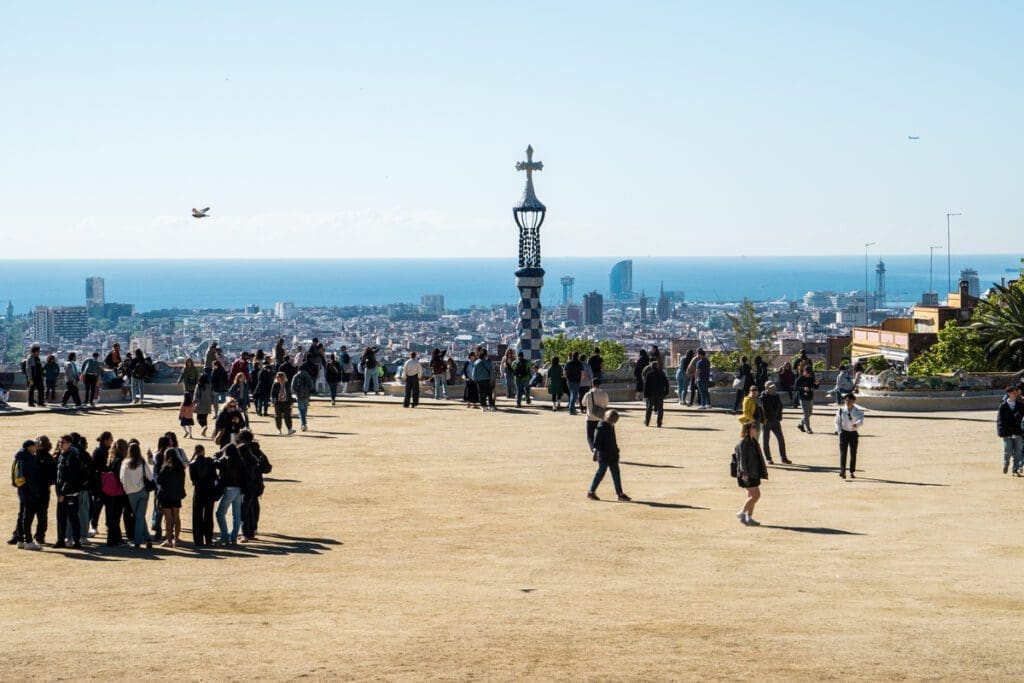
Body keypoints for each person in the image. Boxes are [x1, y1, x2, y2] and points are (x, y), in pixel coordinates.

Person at [586, 410, 630, 501]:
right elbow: (596, 444)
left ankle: (620, 493)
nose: (613, 423)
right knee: (601, 473)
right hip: (605, 455)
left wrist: (616, 449)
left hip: (612, 454)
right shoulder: (601, 427)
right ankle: (591, 492)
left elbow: (613, 439)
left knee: (615, 473)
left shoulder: (610, 425)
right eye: (613, 421)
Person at [119, 440, 153, 549]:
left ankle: (144, 540)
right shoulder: (141, 462)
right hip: (142, 491)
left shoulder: (125, 462)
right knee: (140, 517)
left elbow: (121, 478)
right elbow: (150, 477)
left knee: (139, 517)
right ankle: (144, 540)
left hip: (130, 493)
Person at [239, 430, 272, 542]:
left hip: (246, 483)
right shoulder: (258, 450)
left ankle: (246, 533)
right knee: (254, 506)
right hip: (257, 483)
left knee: (245, 508)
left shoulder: (242, 450)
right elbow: (267, 468)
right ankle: (253, 530)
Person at [733, 421, 768, 526]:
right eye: (753, 427)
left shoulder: (754, 441)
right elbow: (741, 460)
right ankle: (742, 512)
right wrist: (744, 474)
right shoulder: (742, 443)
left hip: (755, 473)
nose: (755, 428)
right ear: (747, 429)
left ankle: (749, 518)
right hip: (746, 475)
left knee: (751, 496)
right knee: (756, 495)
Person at [54, 434, 85, 548]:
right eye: (59, 442)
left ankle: (77, 542)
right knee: (60, 517)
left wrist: (62, 493)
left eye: (62, 442)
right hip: (61, 493)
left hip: (70, 493)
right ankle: (60, 540)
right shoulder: (62, 455)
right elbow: (59, 476)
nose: (60, 444)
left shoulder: (72, 457)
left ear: (69, 443)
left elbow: (71, 477)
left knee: (73, 518)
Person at [11, 440, 42, 550]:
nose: (36, 448)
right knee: (27, 516)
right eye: (34, 446)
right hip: (28, 491)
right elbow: (30, 478)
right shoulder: (28, 458)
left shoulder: (19, 456)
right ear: (29, 447)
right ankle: (28, 541)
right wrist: (36, 492)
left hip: (21, 489)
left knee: (21, 514)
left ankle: (20, 540)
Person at [156, 443, 186, 547]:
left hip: (166, 495)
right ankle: (176, 540)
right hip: (176, 495)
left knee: (168, 519)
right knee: (176, 518)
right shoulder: (181, 468)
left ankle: (169, 540)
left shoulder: (165, 467)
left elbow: (159, 480)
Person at [214, 444, 245, 545]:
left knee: (219, 513)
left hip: (228, 489)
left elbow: (215, 463)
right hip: (239, 489)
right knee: (237, 515)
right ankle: (234, 538)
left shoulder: (224, 460)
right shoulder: (240, 460)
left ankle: (224, 536)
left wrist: (217, 454)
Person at [188, 444, 217, 547]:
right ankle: (209, 539)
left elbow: (193, 480)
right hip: (209, 491)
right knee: (208, 516)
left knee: (197, 516)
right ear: (203, 451)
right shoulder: (210, 462)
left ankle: (198, 540)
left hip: (199, 491)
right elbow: (215, 476)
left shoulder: (192, 464)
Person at [104, 438, 128, 547]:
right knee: (115, 516)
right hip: (119, 492)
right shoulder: (120, 460)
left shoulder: (112, 459)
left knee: (114, 516)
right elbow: (121, 477)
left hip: (111, 491)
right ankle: (112, 540)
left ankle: (117, 538)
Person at [836, 392, 865, 479]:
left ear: (854, 401)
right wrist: (840, 432)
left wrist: (857, 424)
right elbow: (837, 422)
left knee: (853, 453)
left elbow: (861, 420)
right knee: (843, 453)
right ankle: (842, 471)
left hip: (853, 433)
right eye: (846, 400)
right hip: (844, 433)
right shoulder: (841, 410)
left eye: (850, 400)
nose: (847, 402)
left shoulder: (858, 411)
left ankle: (852, 471)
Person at [761, 382, 791, 464]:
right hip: (766, 422)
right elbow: (760, 410)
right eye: (771, 387)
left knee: (781, 439)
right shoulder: (762, 397)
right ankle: (768, 458)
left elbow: (780, 406)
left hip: (775, 421)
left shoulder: (776, 395)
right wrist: (763, 419)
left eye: (773, 387)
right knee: (766, 441)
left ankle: (783, 458)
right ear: (766, 387)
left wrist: (780, 416)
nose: (773, 389)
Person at [997, 385, 1024, 476]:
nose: (1015, 394)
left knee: (1018, 452)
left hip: (1018, 431)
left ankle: (1015, 470)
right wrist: (1001, 432)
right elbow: (1000, 420)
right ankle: (1006, 463)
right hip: (1007, 432)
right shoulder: (1003, 406)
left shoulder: (1020, 405)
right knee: (1007, 451)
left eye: (1016, 392)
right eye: (1013, 392)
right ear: (1008, 393)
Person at [582, 377, 609, 450]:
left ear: (592, 384)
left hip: (590, 417)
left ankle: (593, 449)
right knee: (600, 435)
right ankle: (599, 449)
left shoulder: (588, 394)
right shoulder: (604, 393)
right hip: (600, 417)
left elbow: (583, 403)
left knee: (590, 436)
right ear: (599, 384)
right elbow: (606, 404)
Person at [643, 360, 670, 428]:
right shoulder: (662, 373)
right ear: (657, 366)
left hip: (651, 394)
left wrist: (645, 395)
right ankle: (659, 423)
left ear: (651, 367)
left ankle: (647, 422)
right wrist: (666, 392)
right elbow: (666, 383)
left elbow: (646, 386)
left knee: (649, 408)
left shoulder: (649, 374)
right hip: (660, 393)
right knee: (660, 409)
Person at [795, 365, 819, 434]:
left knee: (810, 413)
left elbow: (816, 387)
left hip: (810, 397)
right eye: (807, 373)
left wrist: (817, 384)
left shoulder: (811, 378)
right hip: (803, 398)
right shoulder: (799, 379)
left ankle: (801, 424)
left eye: (810, 373)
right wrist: (803, 388)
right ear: (804, 371)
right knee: (806, 414)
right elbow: (795, 387)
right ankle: (808, 428)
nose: (809, 374)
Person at [291, 362, 315, 430]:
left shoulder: (296, 376)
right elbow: (311, 386)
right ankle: (304, 422)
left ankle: (303, 423)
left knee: (300, 409)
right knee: (305, 408)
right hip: (307, 395)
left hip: (299, 395)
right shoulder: (308, 376)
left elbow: (292, 387)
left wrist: (296, 392)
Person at [271, 371, 295, 435]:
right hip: (278, 403)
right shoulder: (275, 384)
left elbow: (289, 394)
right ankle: (279, 430)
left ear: (284, 377)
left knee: (288, 416)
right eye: (278, 377)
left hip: (286, 402)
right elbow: (273, 394)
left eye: (281, 377)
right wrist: (273, 402)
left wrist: (291, 402)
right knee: (278, 417)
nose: (279, 379)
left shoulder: (287, 384)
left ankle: (289, 429)